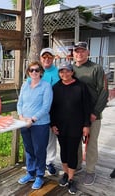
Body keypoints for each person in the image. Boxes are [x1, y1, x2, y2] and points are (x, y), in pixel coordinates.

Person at [50, 62, 91, 194]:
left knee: (72, 152)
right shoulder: (56, 87)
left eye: (67, 71)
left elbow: (87, 108)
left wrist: (86, 125)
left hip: (76, 126)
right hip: (60, 126)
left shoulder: (81, 86)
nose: (64, 74)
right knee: (64, 151)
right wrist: (53, 124)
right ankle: (66, 174)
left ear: (72, 72)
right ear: (59, 74)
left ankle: (72, 179)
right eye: (61, 71)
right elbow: (52, 108)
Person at [72, 41, 109, 185]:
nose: (79, 53)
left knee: (91, 143)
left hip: (93, 114)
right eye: (76, 51)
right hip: (76, 115)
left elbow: (104, 91)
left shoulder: (96, 68)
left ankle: (90, 170)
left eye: (82, 51)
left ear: (87, 52)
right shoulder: (69, 69)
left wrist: (95, 112)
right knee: (75, 142)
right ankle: (77, 165)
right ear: (73, 53)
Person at [17, 61, 53, 190]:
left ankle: (39, 175)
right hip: (24, 122)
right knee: (29, 149)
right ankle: (30, 173)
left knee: (39, 150)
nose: (34, 72)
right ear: (28, 72)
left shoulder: (46, 86)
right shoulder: (24, 85)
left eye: (37, 70)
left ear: (41, 72)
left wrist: (32, 119)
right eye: (31, 70)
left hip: (39, 124)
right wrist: (21, 116)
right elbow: (19, 103)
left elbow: (46, 107)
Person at [39, 48, 60, 175]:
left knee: (52, 138)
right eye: (44, 57)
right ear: (41, 58)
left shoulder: (58, 72)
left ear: (53, 58)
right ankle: (39, 161)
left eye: (49, 57)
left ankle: (49, 162)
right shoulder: (36, 71)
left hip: (54, 110)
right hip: (39, 111)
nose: (47, 59)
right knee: (40, 137)